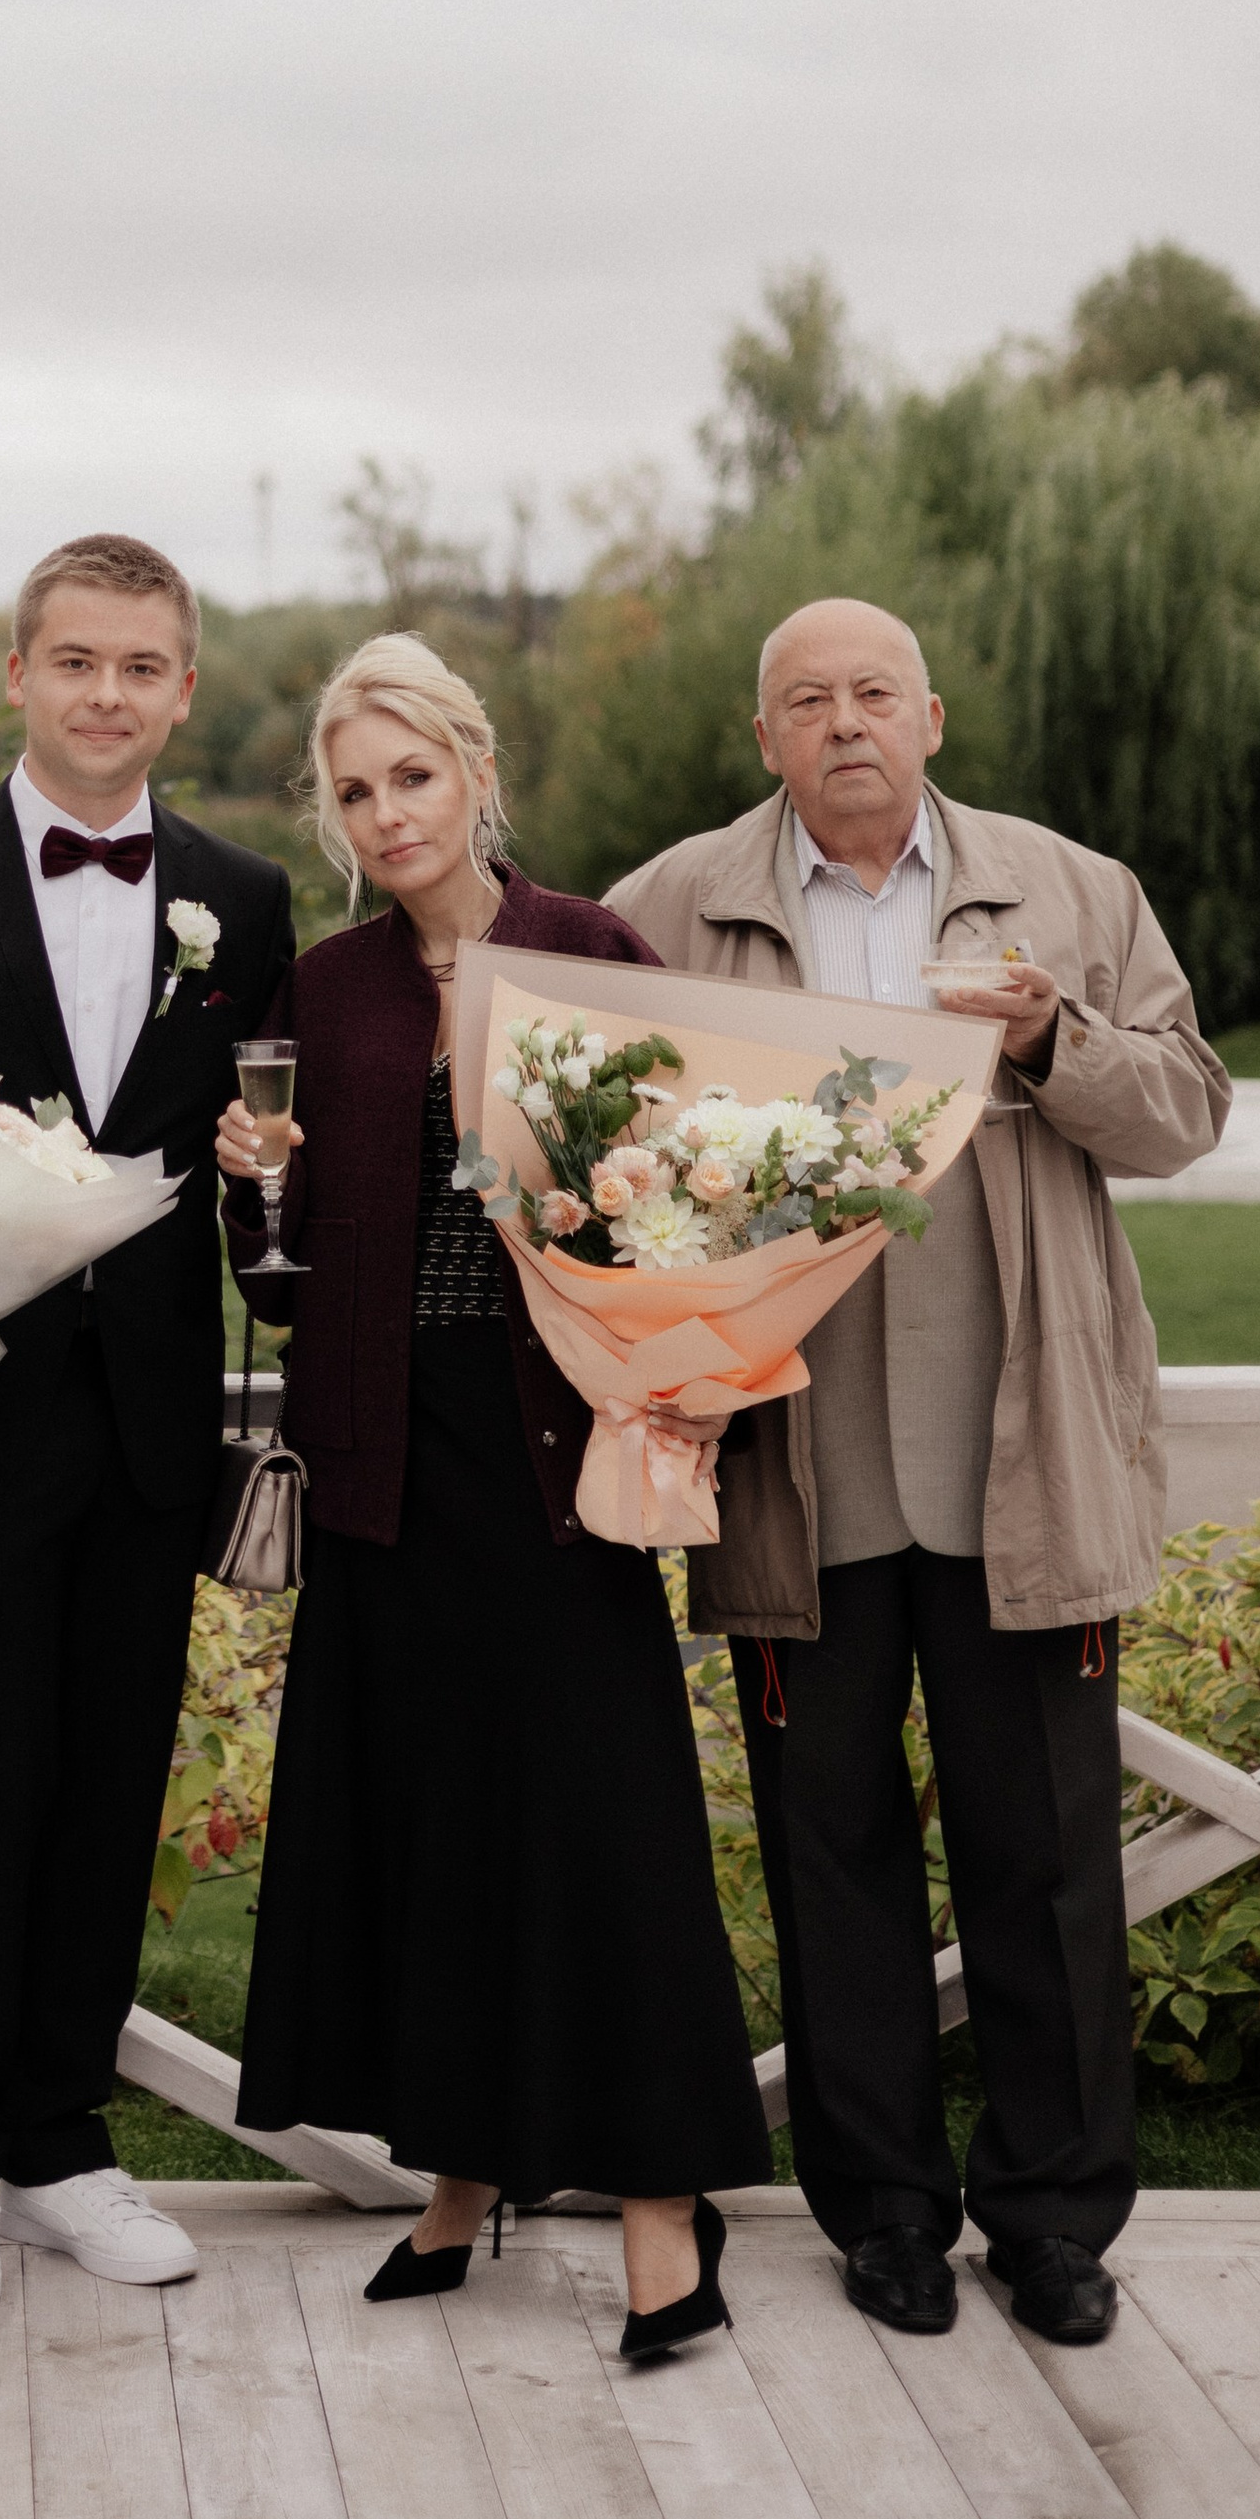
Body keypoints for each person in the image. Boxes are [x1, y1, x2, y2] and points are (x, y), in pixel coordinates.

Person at [611, 596, 1232, 2350]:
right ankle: (882, 2206)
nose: (844, 723)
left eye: (874, 692)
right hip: (798, 1454)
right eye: (805, 700)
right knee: (834, 1847)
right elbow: (585, 1122)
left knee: (1044, 1850)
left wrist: (1052, 1040)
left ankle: (1052, 2219)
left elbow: (1184, 1113)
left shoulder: (1071, 893)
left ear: (933, 717)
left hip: (1012, 1450)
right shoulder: (675, 906)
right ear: (766, 741)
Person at [220, 633, 770, 2360]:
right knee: (430, 1827)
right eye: (356, 788)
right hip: (390, 1465)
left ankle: (666, 2223)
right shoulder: (327, 991)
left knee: (603, 1833)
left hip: (560, 1464)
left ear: (474, 773)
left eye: (414, 776)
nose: (388, 813)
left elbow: (692, 1218)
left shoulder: (593, 949)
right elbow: (283, 1290)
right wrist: (254, 1197)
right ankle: (458, 2179)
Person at [0, 533, 294, 2311]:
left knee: (109, 1786)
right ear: (17, 675)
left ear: (184, 689)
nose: (108, 694)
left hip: (154, 1426)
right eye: (75, 660)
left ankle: (64, 2146)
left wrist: (269, 1191)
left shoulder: (243, 901)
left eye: (142, 666)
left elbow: (261, 1190)